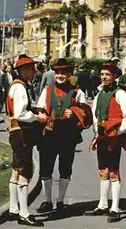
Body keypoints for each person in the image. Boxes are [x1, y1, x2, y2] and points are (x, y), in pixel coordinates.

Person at [85, 62, 126, 224]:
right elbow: (96, 116)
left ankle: (115, 208)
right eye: (102, 74)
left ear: (115, 76)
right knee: (102, 170)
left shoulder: (120, 94)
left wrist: (117, 132)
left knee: (113, 171)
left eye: (108, 75)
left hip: (114, 137)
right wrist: (97, 134)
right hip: (102, 137)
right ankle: (103, 204)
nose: (104, 77)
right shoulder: (99, 93)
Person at [35, 58, 93, 215]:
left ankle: (60, 201)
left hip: (68, 136)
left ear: (69, 74)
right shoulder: (47, 90)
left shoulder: (77, 92)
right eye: (57, 72)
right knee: (46, 168)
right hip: (49, 135)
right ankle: (47, 200)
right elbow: (39, 109)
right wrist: (42, 115)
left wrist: (74, 112)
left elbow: (87, 114)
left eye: (63, 72)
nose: (60, 75)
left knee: (65, 168)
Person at [6, 54, 48, 226]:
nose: (33, 72)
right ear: (21, 71)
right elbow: (20, 113)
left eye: (33, 68)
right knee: (25, 171)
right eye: (29, 69)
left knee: (16, 169)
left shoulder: (16, 86)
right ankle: (24, 213)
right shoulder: (21, 87)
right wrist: (38, 118)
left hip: (15, 132)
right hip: (22, 132)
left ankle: (13, 208)